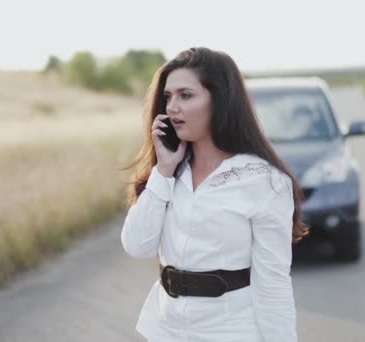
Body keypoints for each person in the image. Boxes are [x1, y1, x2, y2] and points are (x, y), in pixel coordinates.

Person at [120, 47, 309, 342]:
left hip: (232, 333)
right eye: (168, 97)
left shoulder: (264, 181)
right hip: (165, 331)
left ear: (219, 100)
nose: (172, 107)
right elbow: (136, 246)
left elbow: (272, 284)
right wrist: (164, 171)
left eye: (186, 95)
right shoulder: (169, 171)